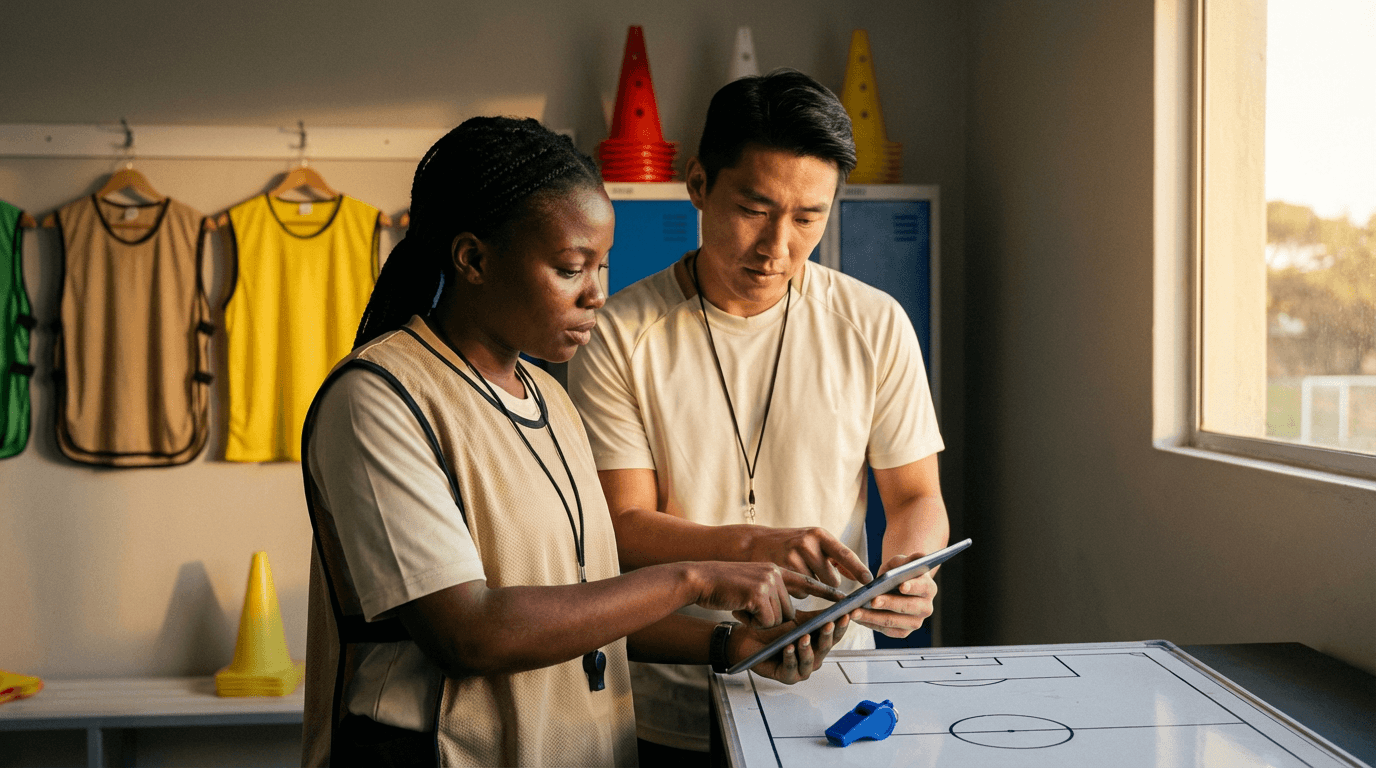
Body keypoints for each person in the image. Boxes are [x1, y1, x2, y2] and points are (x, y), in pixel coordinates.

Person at [299, 116, 852, 768]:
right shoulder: (380, 398)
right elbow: (470, 634)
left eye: (603, 266)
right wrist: (694, 577)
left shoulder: (550, 400)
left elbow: (588, 605)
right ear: (473, 259)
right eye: (570, 269)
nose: (598, 295)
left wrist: (731, 646)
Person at [567, 69, 950, 762]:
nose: (778, 247)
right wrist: (752, 545)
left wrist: (909, 569)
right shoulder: (620, 334)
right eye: (754, 209)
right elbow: (621, 527)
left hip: (837, 694)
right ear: (698, 184)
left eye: (808, 218)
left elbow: (916, 496)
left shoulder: (875, 324)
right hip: (674, 695)